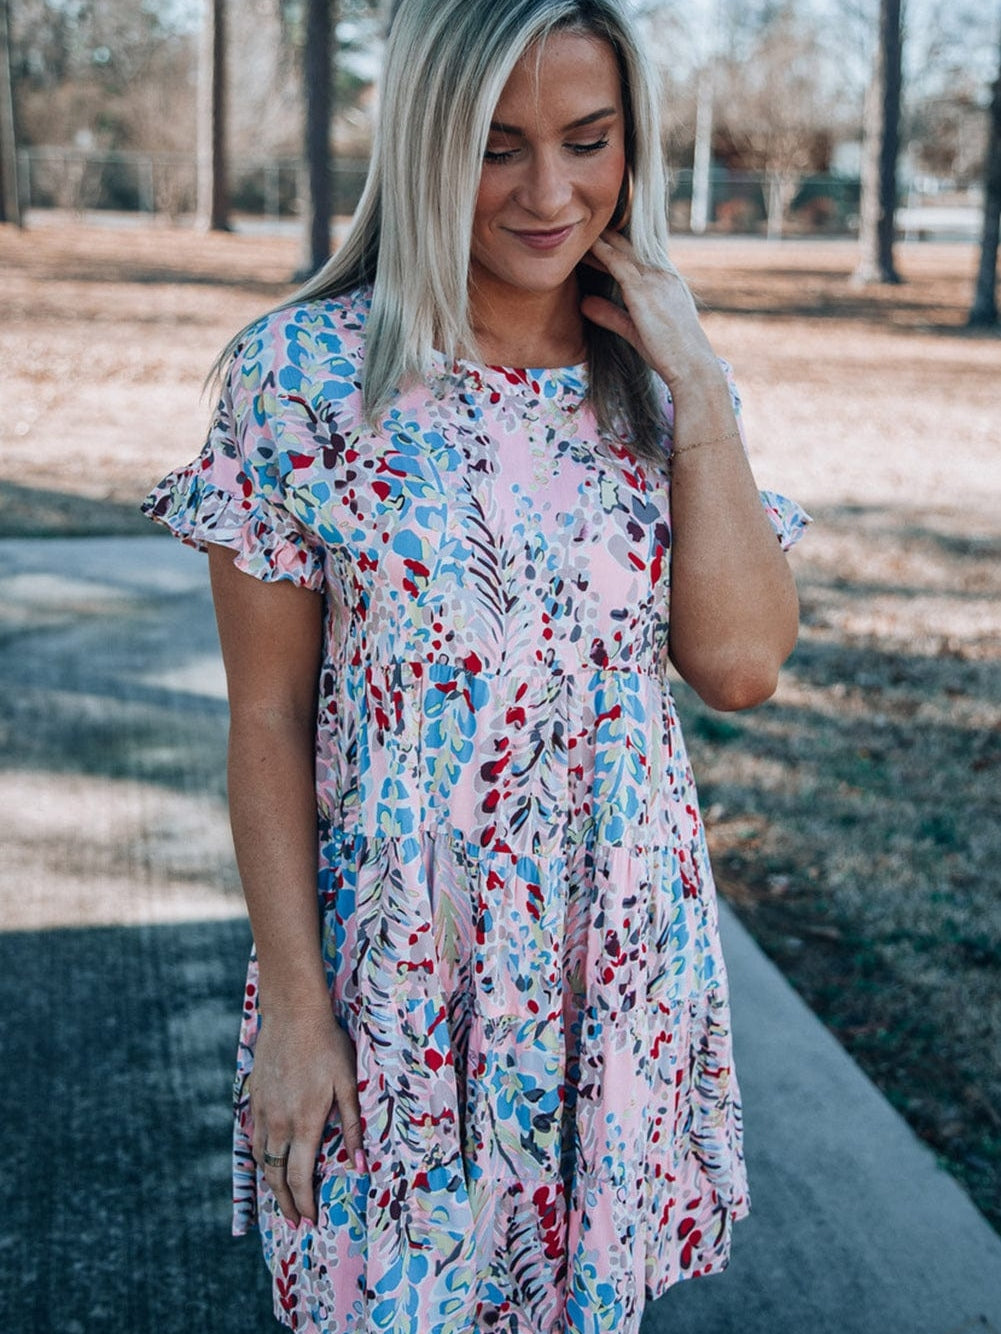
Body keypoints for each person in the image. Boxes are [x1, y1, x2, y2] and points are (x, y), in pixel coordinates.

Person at [143, 0, 809, 1330]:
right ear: (424, 141)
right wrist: (297, 1008)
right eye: (497, 147)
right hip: (398, 972)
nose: (548, 193)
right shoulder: (306, 377)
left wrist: (694, 383)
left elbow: (739, 668)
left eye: (587, 140)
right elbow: (268, 718)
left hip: (609, 957)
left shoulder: (664, 384)